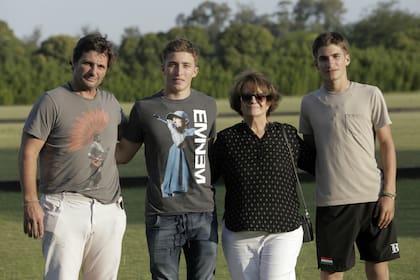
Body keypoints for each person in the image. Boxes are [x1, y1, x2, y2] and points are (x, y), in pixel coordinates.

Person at [18, 33, 127, 280]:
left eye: (101, 66)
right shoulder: (52, 101)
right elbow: (28, 151)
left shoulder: (111, 102)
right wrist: (30, 201)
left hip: (109, 210)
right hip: (64, 207)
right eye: (88, 63)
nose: (93, 71)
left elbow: (126, 146)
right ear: (74, 62)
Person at [299, 31, 400, 280]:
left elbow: (387, 145)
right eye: (323, 58)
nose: (330, 63)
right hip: (332, 201)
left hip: (373, 198)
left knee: (378, 265)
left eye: (335, 56)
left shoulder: (370, 94)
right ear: (316, 63)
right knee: (332, 272)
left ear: (347, 58)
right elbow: (311, 153)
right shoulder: (309, 103)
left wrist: (388, 194)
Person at [116, 38, 218, 279]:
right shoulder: (144, 108)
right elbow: (123, 154)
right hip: (162, 215)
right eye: (172, 64)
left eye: (185, 65)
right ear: (163, 68)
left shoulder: (208, 105)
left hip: (203, 213)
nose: (178, 71)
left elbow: (208, 152)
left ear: (196, 70)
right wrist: (86, 143)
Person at [210, 70, 315, 280]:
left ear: (269, 102)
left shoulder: (287, 134)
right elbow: (205, 181)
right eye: (246, 96)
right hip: (239, 232)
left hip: (284, 230)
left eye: (260, 96)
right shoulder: (226, 139)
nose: (253, 100)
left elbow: (319, 166)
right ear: (238, 102)